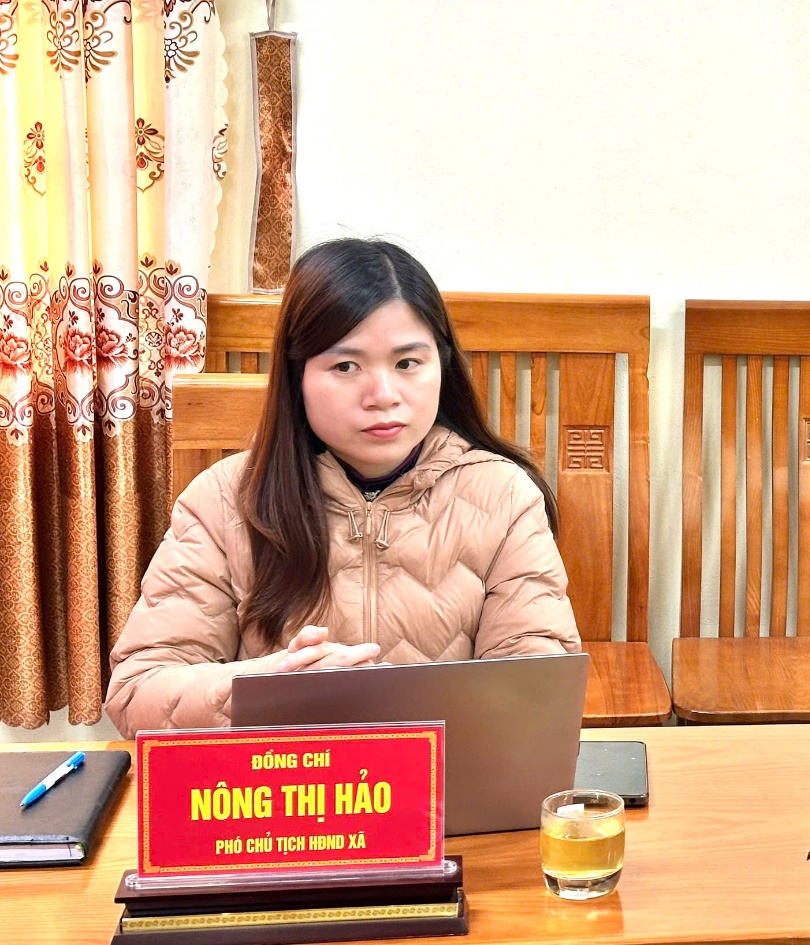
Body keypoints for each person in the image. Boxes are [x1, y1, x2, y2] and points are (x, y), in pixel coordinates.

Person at [106, 238, 580, 737]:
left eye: (407, 363)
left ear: (441, 365)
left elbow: (539, 689)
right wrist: (269, 686)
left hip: (439, 782)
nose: (383, 396)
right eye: (345, 367)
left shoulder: (502, 496)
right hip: (279, 780)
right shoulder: (224, 500)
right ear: (297, 377)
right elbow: (139, 692)